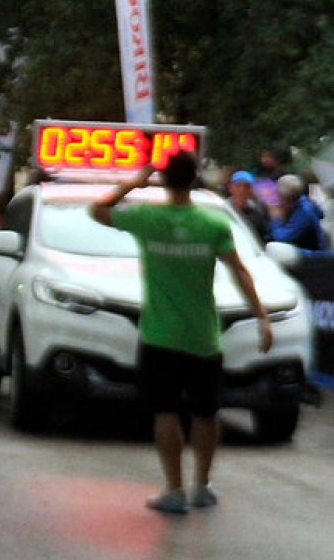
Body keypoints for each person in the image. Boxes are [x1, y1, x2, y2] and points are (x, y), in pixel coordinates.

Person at [89, 153, 273, 514]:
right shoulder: (213, 223)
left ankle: (174, 490)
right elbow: (239, 271)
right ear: (194, 179)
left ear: (163, 180)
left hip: (160, 337)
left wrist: (134, 183)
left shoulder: (146, 218)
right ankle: (201, 486)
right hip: (204, 338)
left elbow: (97, 210)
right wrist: (262, 318)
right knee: (206, 412)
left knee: (166, 411)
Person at [269, 174, 329, 251]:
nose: (277, 200)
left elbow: (282, 238)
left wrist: (276, 219)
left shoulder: (304, 214)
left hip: (312, 254)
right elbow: (321, 214)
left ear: (288, 201)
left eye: (279, 197)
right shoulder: (303, 199)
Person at [226, 170, 270, 242]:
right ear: (230, 188)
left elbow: (263, 237)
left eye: (247, 186)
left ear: (251, 190)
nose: (242, 190)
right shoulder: (223, 209)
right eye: (238, 185)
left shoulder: (258, 211)